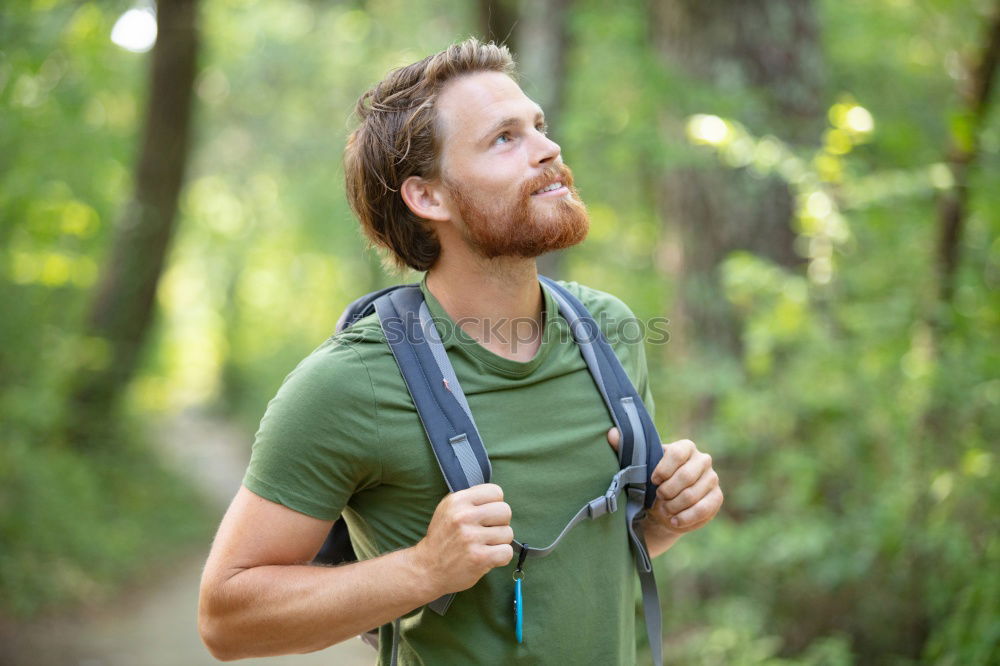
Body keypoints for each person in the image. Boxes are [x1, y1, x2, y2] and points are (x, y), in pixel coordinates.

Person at [198, 38, 723, 664]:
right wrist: (423, 570)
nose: (548, 149)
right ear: (429, 197)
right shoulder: (348, 384)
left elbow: (577, 573)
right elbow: (226, 620)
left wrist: (663, 520)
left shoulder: (608, 331)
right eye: (505, 138)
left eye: (538, 126)